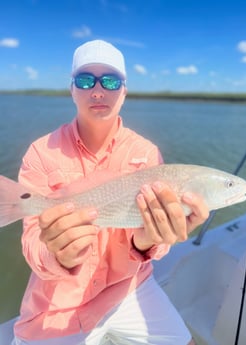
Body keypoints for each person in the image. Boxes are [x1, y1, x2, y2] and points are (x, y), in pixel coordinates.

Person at [12, 40, 209, 345]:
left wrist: (148, 240)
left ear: (124, 91)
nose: (98, 90)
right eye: (86, 79)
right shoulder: (41, 152)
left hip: (129, 287)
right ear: (72, 89)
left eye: (111, 81)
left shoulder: (145, 152)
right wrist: (57, 253)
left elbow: (152, 243)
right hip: (57, 302)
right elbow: (33, 247)